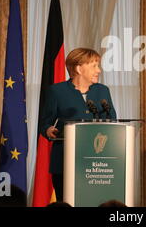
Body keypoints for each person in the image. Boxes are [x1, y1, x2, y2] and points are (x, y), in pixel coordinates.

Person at [41, 48, 117, 201]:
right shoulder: (57, 91)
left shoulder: (103, 91)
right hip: (65, 162)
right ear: (79, 68)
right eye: (94, 66)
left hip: (98, 164)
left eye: (98, 65)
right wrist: (48, 130)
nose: (99, 70)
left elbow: (112, 120)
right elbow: (45, 122)